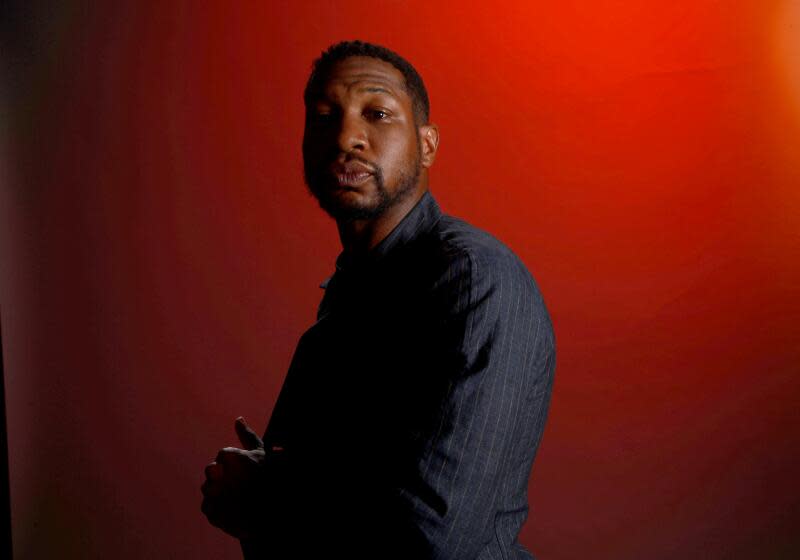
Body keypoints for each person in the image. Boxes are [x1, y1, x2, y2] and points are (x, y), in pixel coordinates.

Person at [201, 40, 556, 559]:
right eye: (324, 118)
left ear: (428, 144)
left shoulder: (474, 279)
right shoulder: (350, 300)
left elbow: (433, 542)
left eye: (378, 113)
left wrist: (264, 501)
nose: (346, 138)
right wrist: (277, 479)